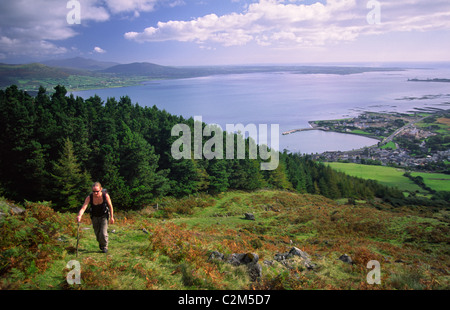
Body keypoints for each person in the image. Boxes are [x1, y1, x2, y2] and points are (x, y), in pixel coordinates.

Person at [76, 182, 114, 253]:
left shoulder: (105, 196)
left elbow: (110, 206)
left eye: (97, 191)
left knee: (103, 233)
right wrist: (79, 215)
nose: (95, 193)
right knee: (97, 233)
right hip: (94, 216)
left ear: (101, 189)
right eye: (94, 191)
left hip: (104, 215)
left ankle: (105, 246)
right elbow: (84, 207)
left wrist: (112, 217)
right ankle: (101, 244)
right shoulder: (89, 197)